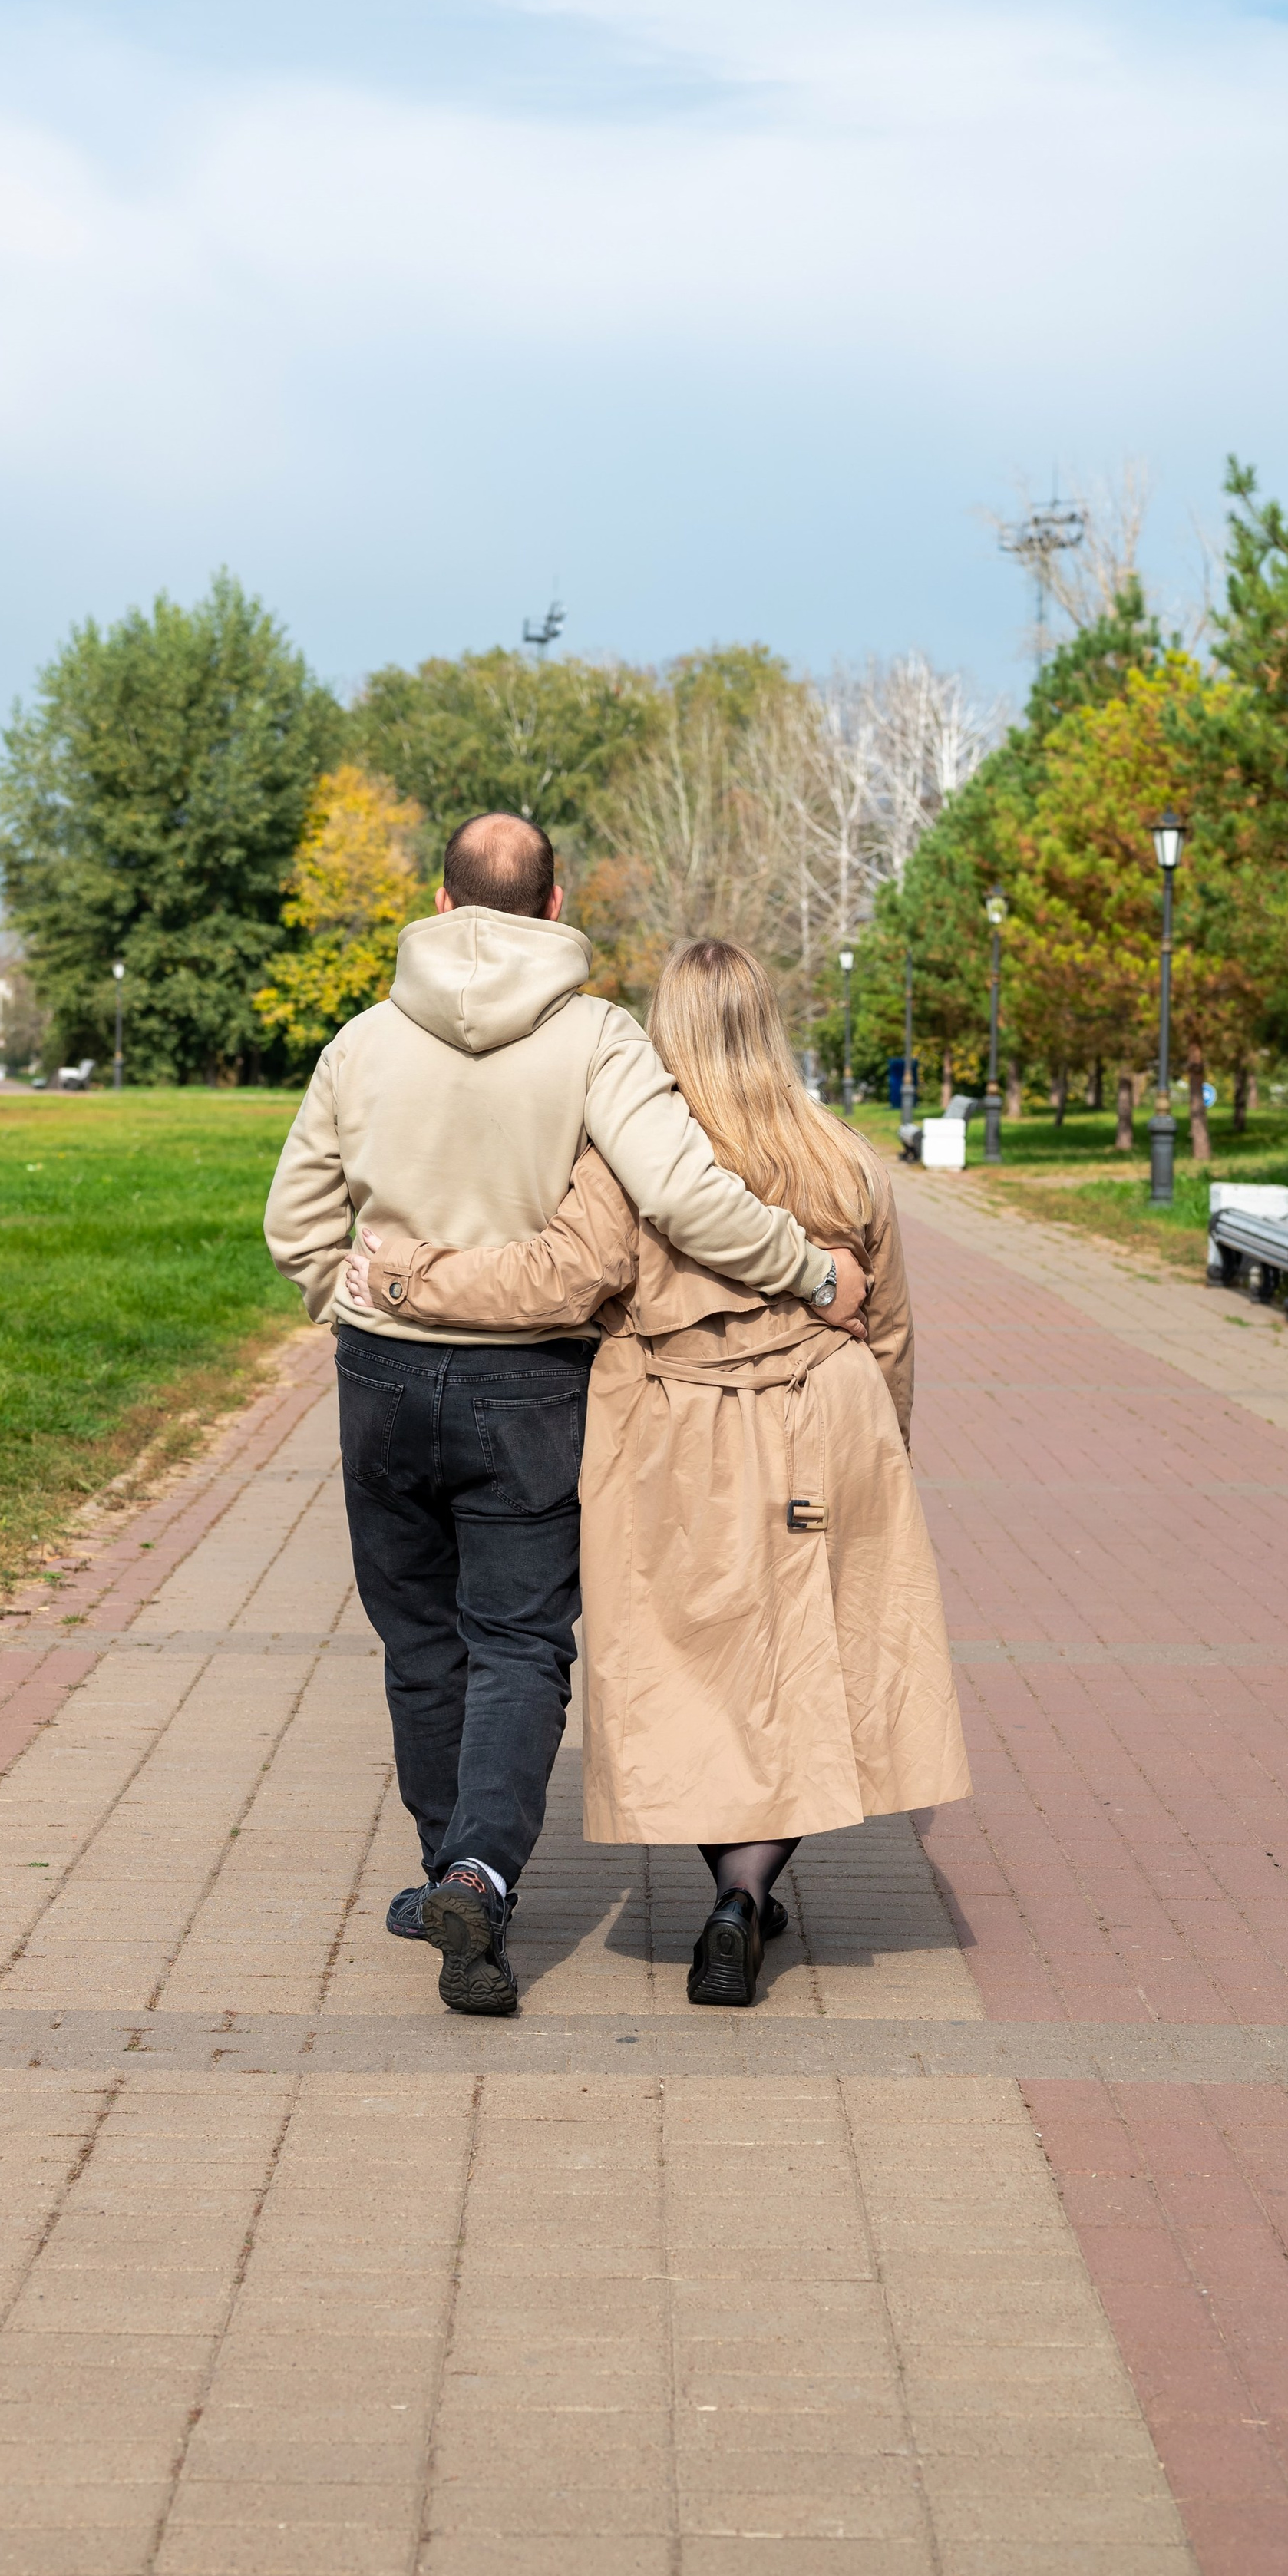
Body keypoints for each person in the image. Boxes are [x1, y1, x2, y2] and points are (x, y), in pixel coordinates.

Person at [263, 818, 864, 2018]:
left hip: (382, 1378)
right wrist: (805, 1268)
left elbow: (295, 1220)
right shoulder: (596, 1036)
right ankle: (480, 1876)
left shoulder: (362, 1041)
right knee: (520, 1641)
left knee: (419, 1639)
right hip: (531, 1385)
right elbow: (685, 1192)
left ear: (439, 899)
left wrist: (359, 1295)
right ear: (553, 903)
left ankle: (452, 1869)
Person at [343, 936, 970, 2008]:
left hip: (679, 1436)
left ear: (665, 1032)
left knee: (689, 1676)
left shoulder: (635, 1155)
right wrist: (888, 1459)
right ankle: (742, 1897)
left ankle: (719, 1890)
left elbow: (554, 1280)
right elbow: (892, 1326)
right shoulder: (844, 1158)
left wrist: (402, 1279)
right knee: (795, 1675)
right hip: (829, 1423)